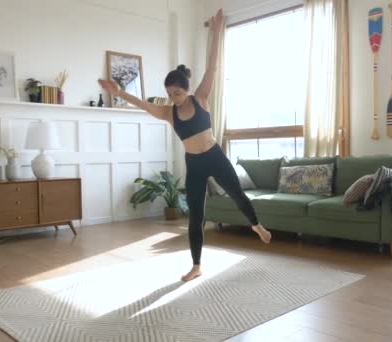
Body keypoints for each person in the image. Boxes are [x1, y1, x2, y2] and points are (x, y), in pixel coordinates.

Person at [98, 9, 271, 282]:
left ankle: (256, 225)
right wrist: (118, 92)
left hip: (214, 155)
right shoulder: (169, 112)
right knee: (196, 216)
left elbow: (213, 67)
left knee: (237, 195)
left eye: (177, 93)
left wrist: (216, 33)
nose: (174, 98)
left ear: (187, 89)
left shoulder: (200, 98)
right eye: (170, 94)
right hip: (195, 163)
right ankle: (196, 265)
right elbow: (143, 105)